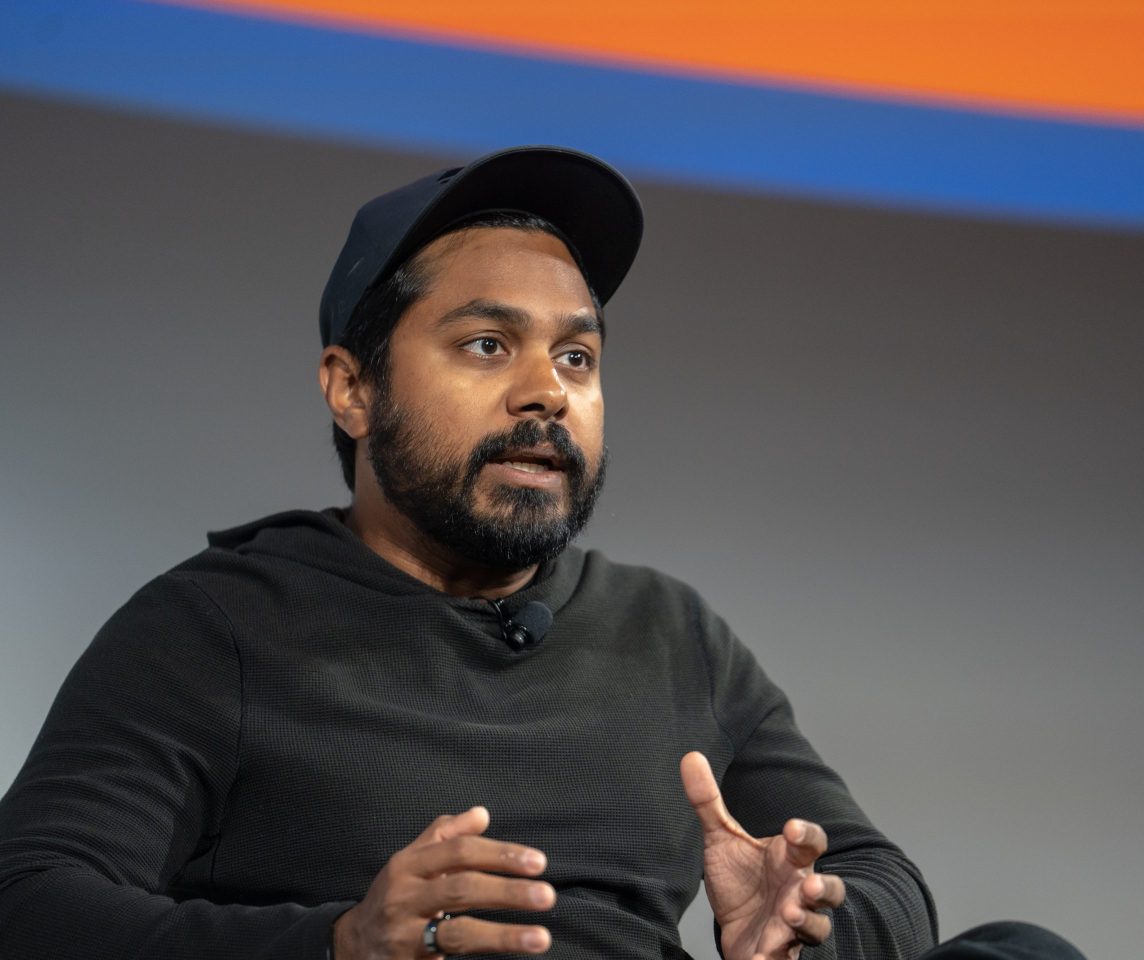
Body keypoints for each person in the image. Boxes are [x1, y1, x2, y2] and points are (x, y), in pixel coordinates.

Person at [0, 147, 1084, 960]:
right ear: (352, 387)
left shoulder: (669, 633)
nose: (546, 392)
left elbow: (877, 876)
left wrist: (805, 930)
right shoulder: (216, 626)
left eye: (576, 356)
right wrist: (339, 944)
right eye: (487, 344)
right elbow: (28, 899)